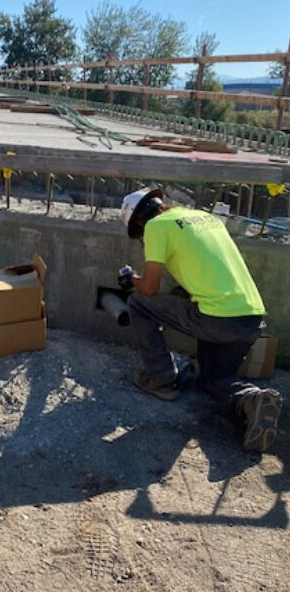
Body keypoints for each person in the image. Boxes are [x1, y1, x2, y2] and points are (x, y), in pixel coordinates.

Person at [119, 187, 282, 453]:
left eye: (138, 235)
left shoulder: (156, 227)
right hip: (250, 320)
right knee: (212, 380)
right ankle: (252, 400)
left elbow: (148, 288)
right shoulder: (206, 218)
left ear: (140, 221)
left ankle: (160, 377)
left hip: (216, 319)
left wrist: (131, 278)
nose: (142, 239)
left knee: (139, 303)